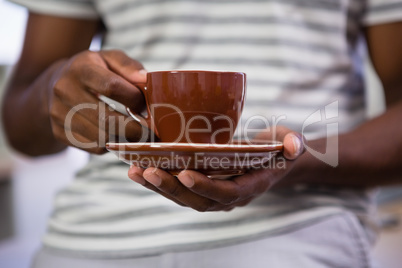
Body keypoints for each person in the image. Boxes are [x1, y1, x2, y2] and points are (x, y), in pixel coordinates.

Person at [2, 0, 402, 267]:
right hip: (90, 231)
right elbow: (21, 128)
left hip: (296, 224)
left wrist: (296, 158)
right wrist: (52, 89)